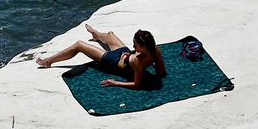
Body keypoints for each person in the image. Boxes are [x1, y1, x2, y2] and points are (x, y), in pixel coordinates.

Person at [36, 24, 167, 89]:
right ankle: (96, 35)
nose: (133, 47)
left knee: (79, 45)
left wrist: (115, 82)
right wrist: (152, 64)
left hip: (112, 61)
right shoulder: (155, 50)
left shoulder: (137, 60)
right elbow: (161, 72)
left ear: (143, 46)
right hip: (123, 54)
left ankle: (49, 61)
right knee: (110, 34)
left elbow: (137, 84)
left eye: (135, 45)